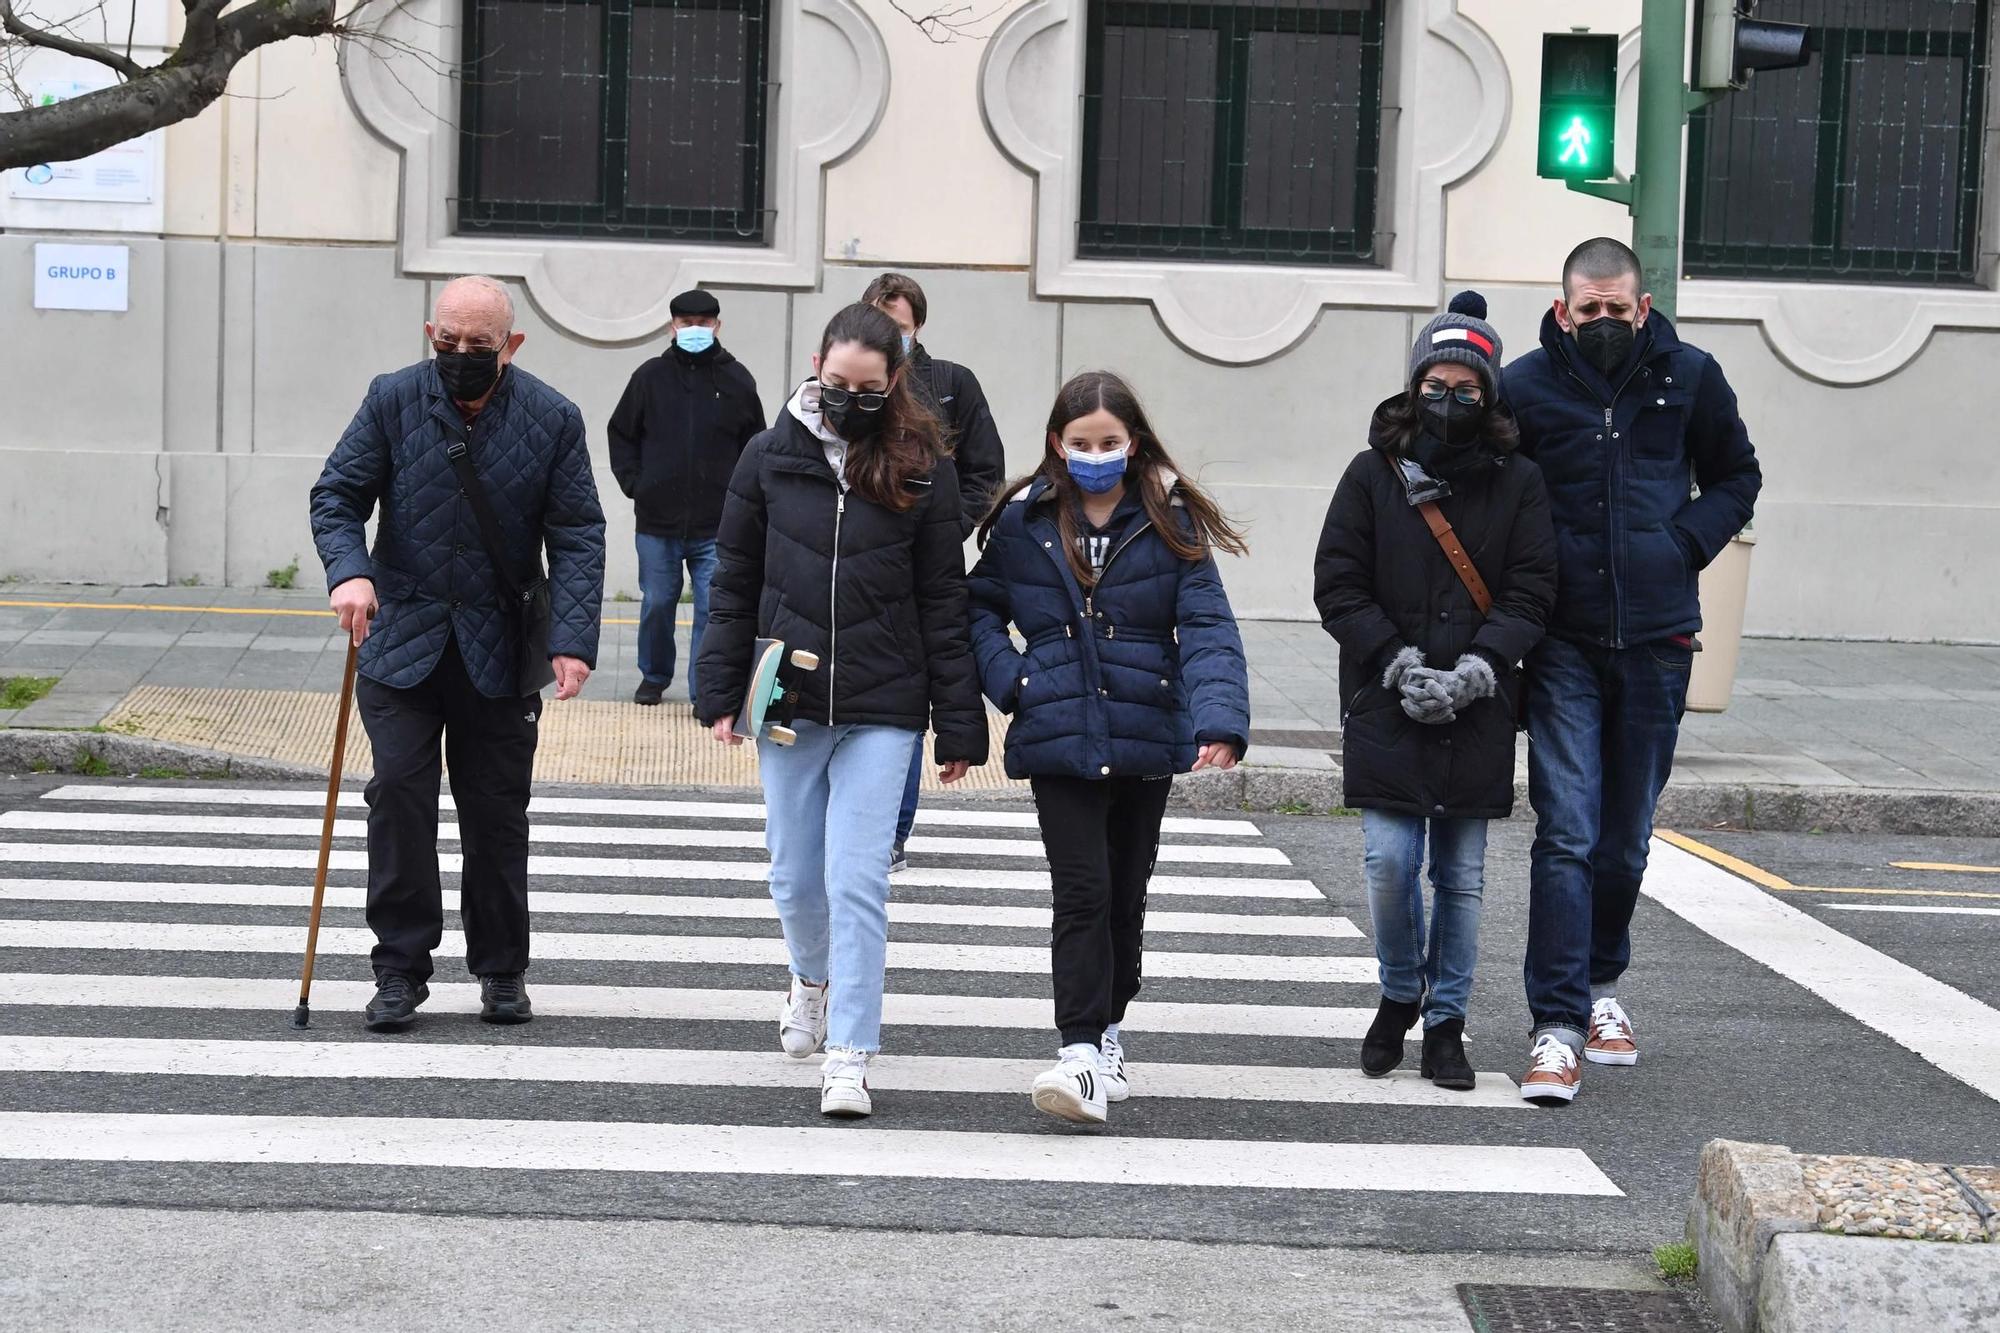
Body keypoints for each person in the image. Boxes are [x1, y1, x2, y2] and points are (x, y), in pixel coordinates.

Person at [696, 302, 988, 1119]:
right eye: (835, 383)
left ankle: (852, 1051)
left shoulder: (922, 466)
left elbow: (944, 597)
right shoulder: (767, 456)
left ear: (894, 382)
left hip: (885, 701)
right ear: (816, 364)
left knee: (857, 876)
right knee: (794, 875)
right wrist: (718, 690)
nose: (849, 398)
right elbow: (733, 581)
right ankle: (810, 978)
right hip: (788, 695)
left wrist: (960, 721)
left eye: (867, 387)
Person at [309, 274, 606, 1033]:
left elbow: (577, 533)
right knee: (400, 800)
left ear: (512, 345)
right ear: (429, 334)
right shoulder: (392, 398)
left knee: (496, 814)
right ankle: (400, 970)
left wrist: (571, 641)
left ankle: (502, 970)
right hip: (400, 639)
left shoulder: (552, 417)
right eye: (449, 341)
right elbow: (338, 494)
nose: (462, 355)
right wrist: (351, 572)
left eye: (480, 345)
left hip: (500, 650)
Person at [1505, 238, 1761, 1105]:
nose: (1605, 322)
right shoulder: (1528, 387)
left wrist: (1681, 544)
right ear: (1563, 306)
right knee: (1567, 829)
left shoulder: (1691, 375)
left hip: (1657, 637)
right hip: (1562, 643)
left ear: (1642, 307)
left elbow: (1737, 475)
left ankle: (1602, 984)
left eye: (1620, 309)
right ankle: (1557, 1026)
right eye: (1590, 310)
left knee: (1625, 838)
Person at [968, 369, 1250, 1126]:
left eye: (1110, 442)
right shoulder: (1025, 520)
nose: (1095, 453)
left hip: (1144, 730)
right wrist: (1014, 680)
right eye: (1081, 441)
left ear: (1133, 444)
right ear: (1058, 443)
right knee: (1083, 890)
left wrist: (1219, 718)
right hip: (1058, 730)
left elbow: (1209, 623)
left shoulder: (1169, 520)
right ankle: (1081, 1050)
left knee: (1126, 896)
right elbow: (980, 609)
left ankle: (1112, 1025)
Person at [1313, 292, 1557, 1093]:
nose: (1448, 400)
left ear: (1488, 396)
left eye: (1466, 388)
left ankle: (1447, 1020)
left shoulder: (1520, 481)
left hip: (1477, 705)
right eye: (1436, 384)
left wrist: (1476, 670)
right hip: (1388, 697)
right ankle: (1397, 990)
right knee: (1388, 861)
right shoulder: (1369, 472)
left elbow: (1532, 591)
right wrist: (1399, 663)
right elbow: (1338, 585)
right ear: (1415, 383)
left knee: (1461, 875)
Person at [861, 272, 1008, 874]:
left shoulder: (952, 383)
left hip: (930, 560)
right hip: (860, 563)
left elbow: (985, 469)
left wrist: (954, 525)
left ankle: (892, 835)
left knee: (904, 705)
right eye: (878, 322)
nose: (887, 336)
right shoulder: (851, 385)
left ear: (917, 324)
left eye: (898, 326)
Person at [608, 289, 766, 706]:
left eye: (703, 322)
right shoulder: (649, 377)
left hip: (718, 524)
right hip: (657, 521)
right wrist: (634, 484)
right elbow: (621, 432)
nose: (695, 329)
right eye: (686, 322)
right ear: (671, 326)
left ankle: (703, 691)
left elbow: (756, 444)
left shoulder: (737, 380)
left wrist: (744, 501)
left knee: (712, 609)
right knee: (658, 602)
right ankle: (654, 676)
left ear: (718, 325)